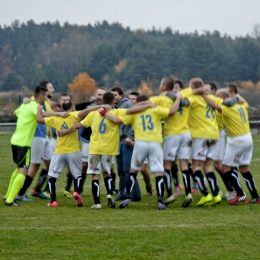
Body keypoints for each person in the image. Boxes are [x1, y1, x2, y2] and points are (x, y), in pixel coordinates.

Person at [58, 92, 151, 209]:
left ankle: (97, 203)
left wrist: (64, 132)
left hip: (94, 149)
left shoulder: (93, 114)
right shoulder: (116, 112)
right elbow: (132, 111)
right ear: (113, 102)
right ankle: (108, 194)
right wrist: (148, 105)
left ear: (102, 101)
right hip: (108, 149)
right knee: (107, 173)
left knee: (95, 175)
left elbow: (77, 126)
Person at [103, 93, 182, 210]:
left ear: (137, 103)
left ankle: (127, 198)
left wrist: (104, 113)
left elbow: (116, 120)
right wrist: (178, 99)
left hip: (140, 144)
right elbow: (171, 112)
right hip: (155, 143)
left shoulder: (135, 112)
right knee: (158, 173)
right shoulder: (155, 109)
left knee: (133, 171)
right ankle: (160, 201)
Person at [37, 99, 109, 207]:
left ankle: (53, 201)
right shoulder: (75, 115)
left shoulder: (56, 118)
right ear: (72, 107)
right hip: (74, 151)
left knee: (52, 177)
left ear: (62, 108)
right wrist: (102, 105)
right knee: (77, 175)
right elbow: (88, 110)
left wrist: (39, 109)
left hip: (60, 151)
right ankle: (77, 192)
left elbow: (39, 119)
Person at [150, 77, 203, 207]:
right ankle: (188, 193)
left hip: (172, 135)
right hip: (186, 134)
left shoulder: (162, 98)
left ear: (163, 87)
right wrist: (179, 97)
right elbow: (198, 89)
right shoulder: (185, 96)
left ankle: (169, 195)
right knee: (184, 164)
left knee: (166, 166)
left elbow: (148, 103)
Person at [204, 88, 260, 205]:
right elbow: (244, 102)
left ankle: (240, 194)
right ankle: (255, 197)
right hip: (248, 138)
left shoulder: (226, 108)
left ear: (222, 98)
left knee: (225, 168)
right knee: (244, 169)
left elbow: (216, 106)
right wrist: (236, 97)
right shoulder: (242, 105)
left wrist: (203, 96)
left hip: (237, 140)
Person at [4, 85, 48, 206]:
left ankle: (8, 196)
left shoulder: (26, 104)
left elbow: (15, 113)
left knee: (18, 170)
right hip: (23, 143)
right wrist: (60, 116)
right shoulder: (35, 106)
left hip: (15, 140)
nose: (47, 97)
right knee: (23, 172)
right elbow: (43, 116)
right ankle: (10, 200)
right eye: (46, 95)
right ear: (41, 96)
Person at [16, 81, 56, 201]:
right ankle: (21, 193)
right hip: (36, 136)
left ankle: (37, 190)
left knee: (50, 163)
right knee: (35, 164)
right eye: (50, 88)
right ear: (43, 92)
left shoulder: (46, 101)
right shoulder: (34, 101)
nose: (52, 90)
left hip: (45, 136)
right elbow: (22, 112)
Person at [188, 78, 222, 206]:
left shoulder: (194, 99)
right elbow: (221, 105)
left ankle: (205, 193)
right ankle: (216, 194)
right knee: (207, 166)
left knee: (196, 166)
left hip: (202, 135)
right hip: (214, 134)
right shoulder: (213, 99)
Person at [111, 87, 141, 201]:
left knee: (128, 169)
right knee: (121, 170)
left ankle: (136, 194)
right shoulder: (114, 107)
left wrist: (130, 136)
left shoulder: (128, 105)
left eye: (115, 95)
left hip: (126, 141)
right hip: (117, 142)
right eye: (112, 95)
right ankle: (123, 193)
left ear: (121, 96)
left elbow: (136, 121)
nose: (114, 97)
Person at [128, 91, 153, 196]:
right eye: (130, 99)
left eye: (133, 99)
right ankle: (130, 193)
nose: (131, 101)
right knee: (133, 169)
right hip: (136, 144)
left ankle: (149, 187)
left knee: (142, 169)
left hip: (149, 144)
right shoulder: (131, 112)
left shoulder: (150, 111)